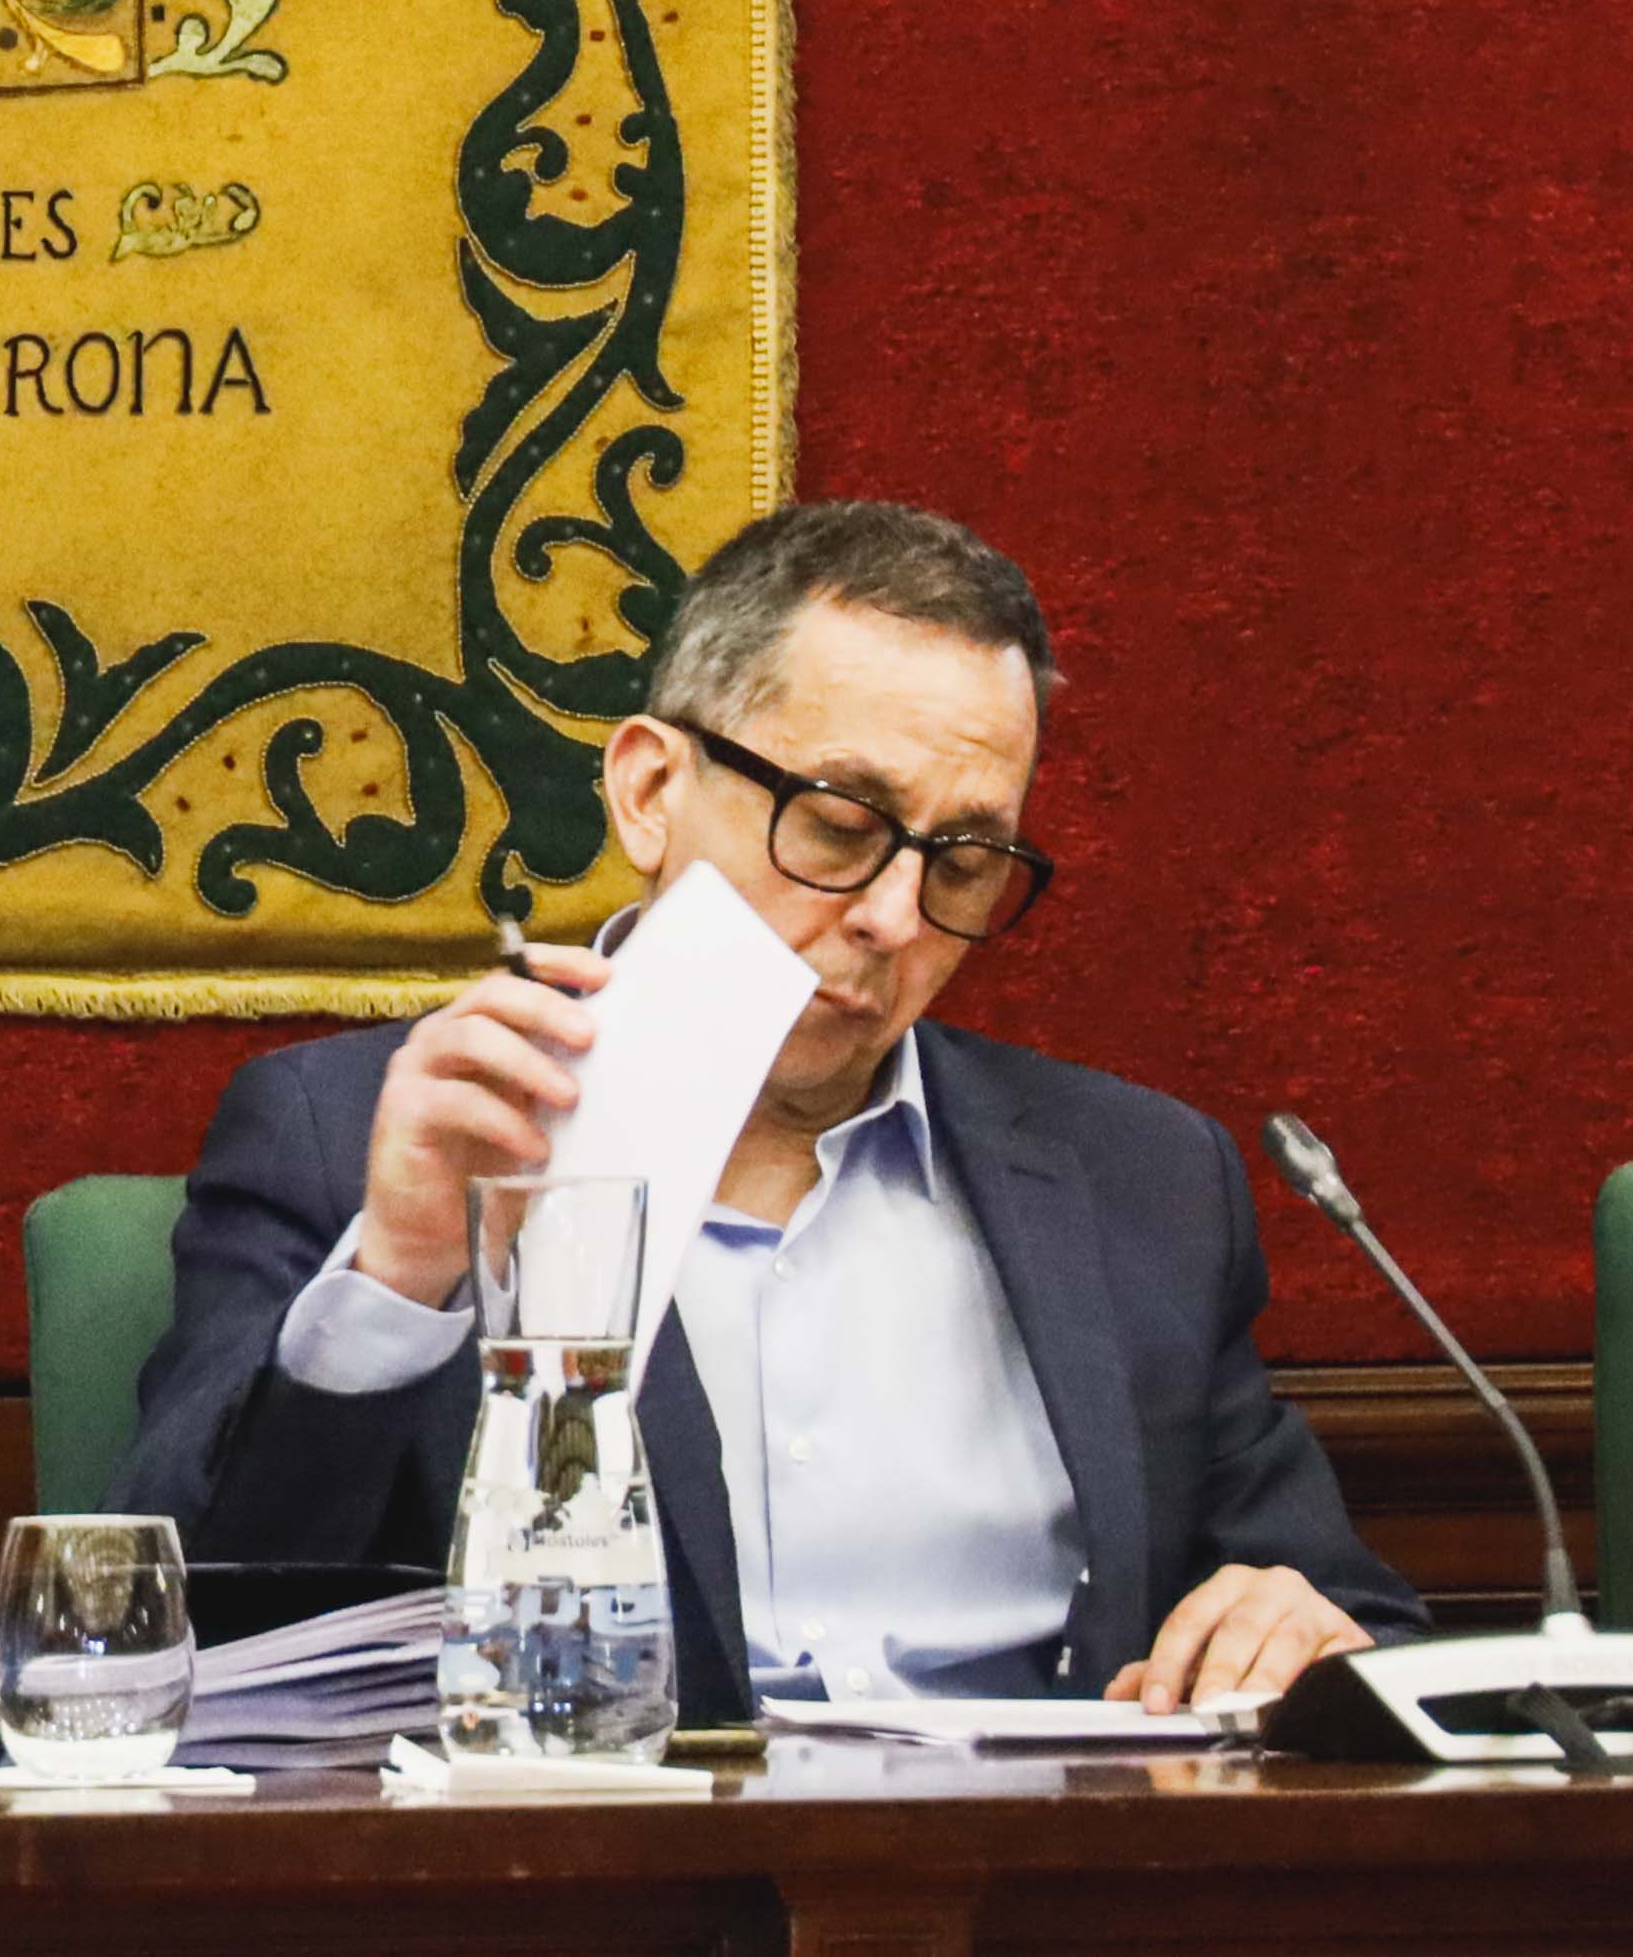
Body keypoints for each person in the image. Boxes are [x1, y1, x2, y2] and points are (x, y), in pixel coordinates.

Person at [114, 499, 1414, 1715]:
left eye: (965, 860)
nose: (892, 917)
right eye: (839, 824)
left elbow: (1358, 1627)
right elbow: (177, 1639)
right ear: (648, 792)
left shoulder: (1144, 1177)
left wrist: (1302, 1631)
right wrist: (399, 1276)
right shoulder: (353, 1135)